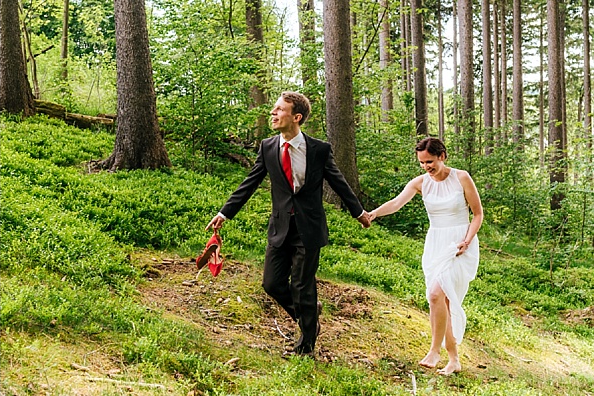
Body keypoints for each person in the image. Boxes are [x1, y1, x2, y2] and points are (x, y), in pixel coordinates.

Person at [206, 91, 371, 356]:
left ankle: (306, 345)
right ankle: (308, 318)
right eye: (274, 109)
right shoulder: (268, 147)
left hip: (309, 228)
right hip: (280, 226)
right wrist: (225, 213)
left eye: (279, 109)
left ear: (296, 117)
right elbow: (250, 182)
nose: (273, 113)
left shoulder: (319, 150)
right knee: (272, 284)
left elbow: (338, 182)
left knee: (302, 285)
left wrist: (358, 212)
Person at [362, 137, 482, 375]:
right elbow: (396, 203)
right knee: (440, 299)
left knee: (436, 294)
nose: (427, 167)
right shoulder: (420, 183)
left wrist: (467, 240)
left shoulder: (462, 178)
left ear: (442, 156)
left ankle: (435, 350)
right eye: (422, 163)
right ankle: (454, 359)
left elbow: (477, 214)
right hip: (436, 243)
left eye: (430, 161)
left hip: (460, 242)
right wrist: (373, 214)